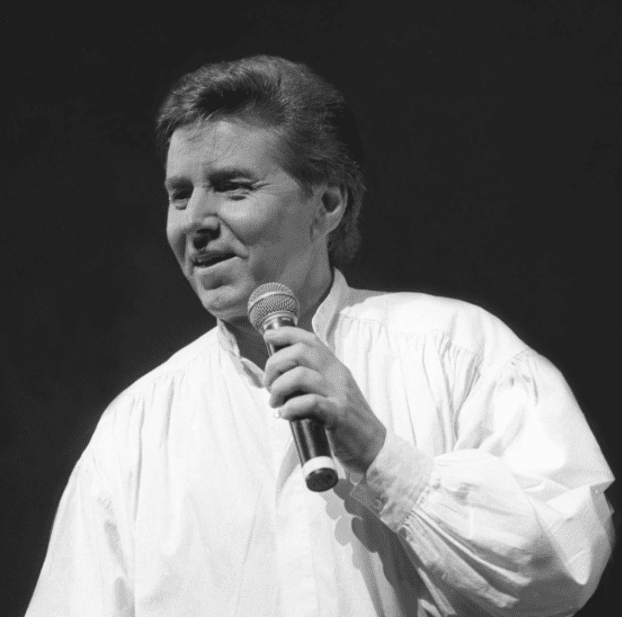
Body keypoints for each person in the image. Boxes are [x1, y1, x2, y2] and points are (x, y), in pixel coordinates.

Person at [25, 55, 614, 617]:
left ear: (328, 202)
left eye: (232, 187)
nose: (196, 222)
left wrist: (383, 456)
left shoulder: (458, 351)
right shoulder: (136, 429)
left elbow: (563, 570)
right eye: (180, 195)